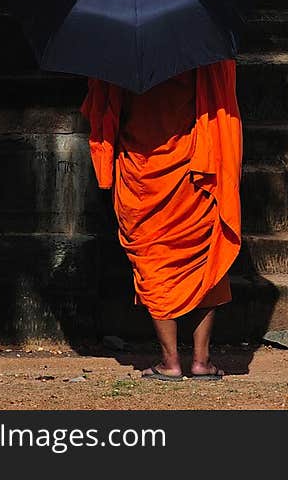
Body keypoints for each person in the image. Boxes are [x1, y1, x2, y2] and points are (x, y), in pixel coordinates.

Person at [81, 57, 242, 381]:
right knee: (204, 257)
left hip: (143, 170)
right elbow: (221, 105)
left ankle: (170, 362)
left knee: (154, 258)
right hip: (197, 166)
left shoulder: (120, 50)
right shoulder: (205, 51)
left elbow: (106, 109)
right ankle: (201, 361)